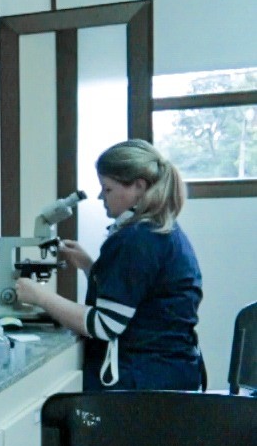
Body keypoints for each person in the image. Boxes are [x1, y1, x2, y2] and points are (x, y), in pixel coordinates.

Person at [15, 139, 203, 391]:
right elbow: (141, 296)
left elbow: (104, 325)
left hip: (143, 383)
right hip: (171, 372)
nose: (101, 196)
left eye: (108, 189)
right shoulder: (159, 231)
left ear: (139, 187)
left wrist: (39, 296)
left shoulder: (136, 239)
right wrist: (90, 267)